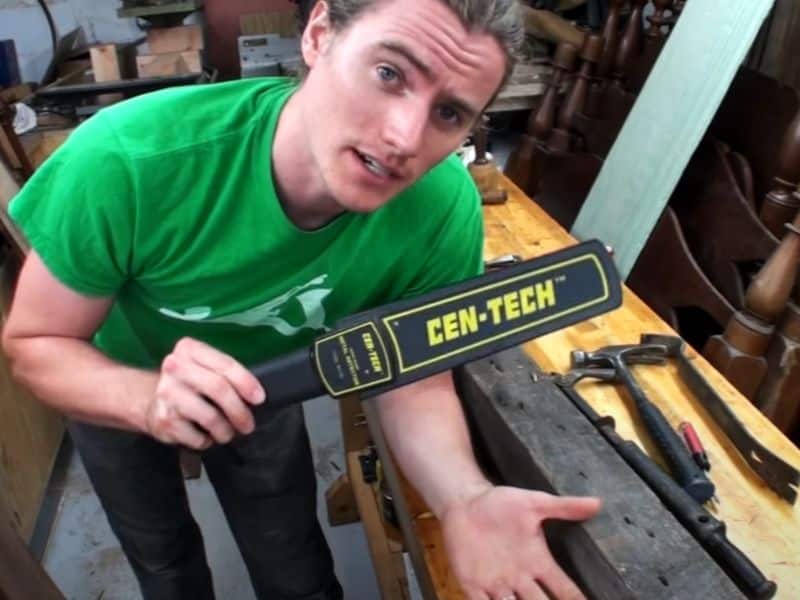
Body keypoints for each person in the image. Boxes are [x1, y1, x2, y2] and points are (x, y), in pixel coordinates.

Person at [2, 1, 601, 599]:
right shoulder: (127, 160)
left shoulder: (439, 209)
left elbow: (412, 378)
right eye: (389, 74)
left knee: (290, 553)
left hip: (265, 387)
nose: (403, 138)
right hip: (110, 377)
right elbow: (37, 344)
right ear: (319, 36)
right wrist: (143, 398)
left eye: (448, 113)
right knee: (162, 559)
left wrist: (464, 498)